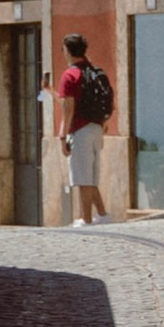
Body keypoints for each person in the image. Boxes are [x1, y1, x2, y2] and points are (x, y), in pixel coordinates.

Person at [56, 32, 112, 226]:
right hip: (97, 127)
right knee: (91, 174)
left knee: (82, 176)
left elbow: (68, 107)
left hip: (80, 128)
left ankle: (85, 219)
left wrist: (63, 136)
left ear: (69, 51)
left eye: (63, 49)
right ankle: (103, 215)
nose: (62, 52)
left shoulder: (70, 75)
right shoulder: (95, 72)